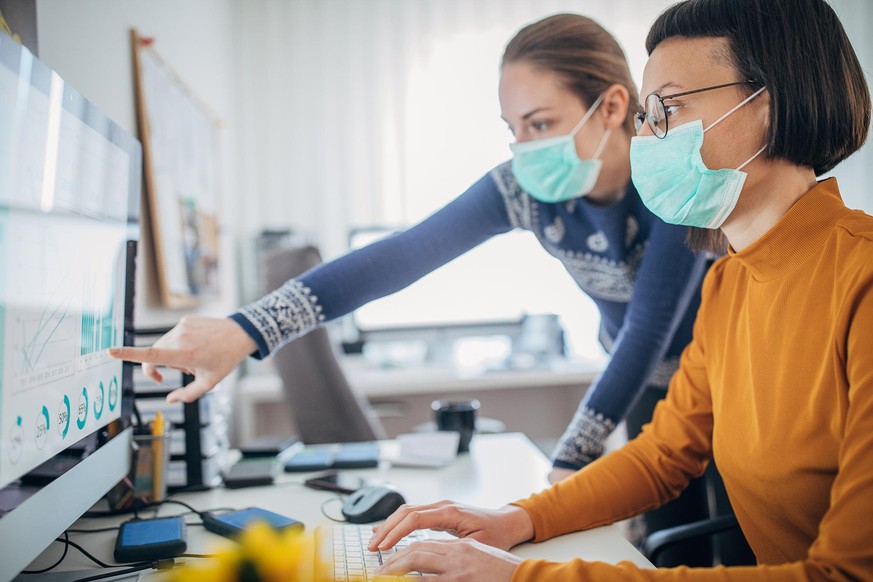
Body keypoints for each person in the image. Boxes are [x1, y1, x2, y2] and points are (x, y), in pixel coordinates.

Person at [111, 14, 713, 557]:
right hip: (644, 393)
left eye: (541, 124)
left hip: (718, 379)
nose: (525, 149)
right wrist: (245, 331)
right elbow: (396, 259)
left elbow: (648, 329)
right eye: (513, 128)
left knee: (740, 539)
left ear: (610, 107)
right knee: (668, 546)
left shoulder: (666, 178)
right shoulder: (522, 189)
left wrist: (565, 468)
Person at [365, 0, 873, 578]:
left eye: (670, 108)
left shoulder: (861, 283)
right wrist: (512, 520)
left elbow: (845, 575)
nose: (648, 138)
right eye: (646, 115)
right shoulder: (730, 281)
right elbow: (663, 455)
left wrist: (521, 575)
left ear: (770, 104)